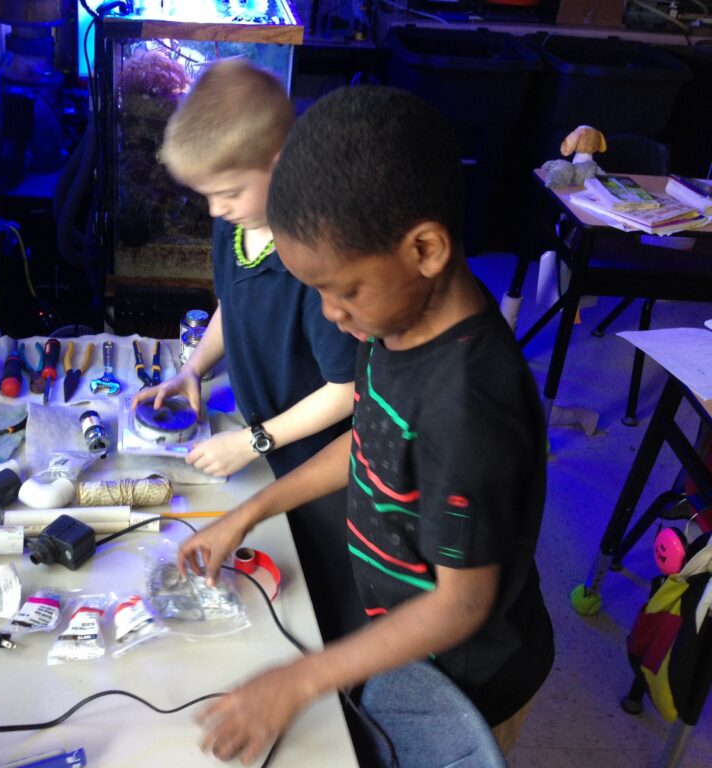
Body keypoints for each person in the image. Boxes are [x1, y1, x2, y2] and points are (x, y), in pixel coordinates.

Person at [178, 85, 555, 767]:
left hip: (468, 683)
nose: (328, 315)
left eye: (342, 290)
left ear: (425, 249)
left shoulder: (468, 406)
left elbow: (460, 607)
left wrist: (298, 681)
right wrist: (252, 511)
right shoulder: (397, 320)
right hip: (399, 640)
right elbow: (370, 442)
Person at [134, 58, 364, 642]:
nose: (215, 209)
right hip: (267, 445)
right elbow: (231, 306)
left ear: (281, 163)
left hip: (321, 461)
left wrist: (253, 440)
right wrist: (193, 368)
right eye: (208, 196)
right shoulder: (236, 224)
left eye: (229, 192)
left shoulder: (312, 260)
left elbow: (349, 391)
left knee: (324, 595)